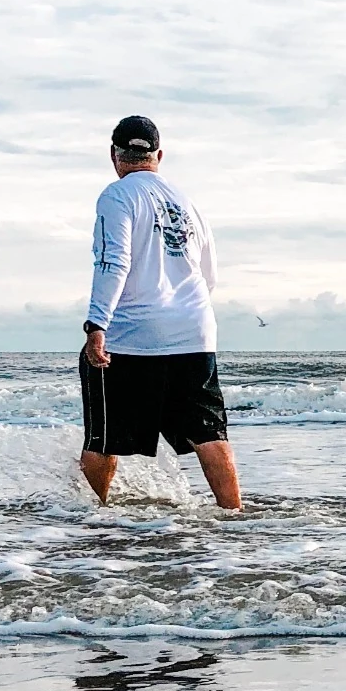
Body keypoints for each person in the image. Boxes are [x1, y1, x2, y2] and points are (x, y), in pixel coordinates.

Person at [79, 115, 241, 510]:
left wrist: (97, 324)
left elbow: (113, 262)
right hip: (194, 330)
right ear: (158, 155)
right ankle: (235, 517)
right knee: (209, 433)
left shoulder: (117, 196)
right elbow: (209, 275)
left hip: (133, 334)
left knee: (102, 438)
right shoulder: (187, 202)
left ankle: (98, 520)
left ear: (115, 156)